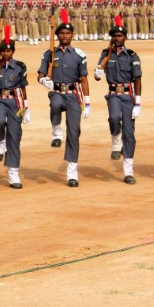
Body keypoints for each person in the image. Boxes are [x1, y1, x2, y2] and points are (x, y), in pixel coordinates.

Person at [37, 11, 90, 187]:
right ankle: (56, 129)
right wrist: (43, 80)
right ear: (57, 35)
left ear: (72, 35)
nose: (64, 36)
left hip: (74, 94)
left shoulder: (79, 55)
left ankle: (72, 172)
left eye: (67, 33)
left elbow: (83, 79)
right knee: (55, 104)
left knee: (74, 133)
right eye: (61, 33)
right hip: (57, 92)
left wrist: (87, 102)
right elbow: (40, 74)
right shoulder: (49, 54)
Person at [95, 16, 143, 183]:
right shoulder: (105, 54)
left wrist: (138, 102)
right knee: (114, 118)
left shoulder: (132, 56)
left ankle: (128, 171)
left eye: (120, 36)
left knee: (129, 133)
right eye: (114, 36)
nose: (117, 39)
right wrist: (98, 72)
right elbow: (98, 75)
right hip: (114, 94)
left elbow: (137, 79)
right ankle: (116, 139)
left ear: (125, 37)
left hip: (129, 95)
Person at [0, 37, 31, 188]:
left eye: (8, 50)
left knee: (14, 135)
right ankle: (0, 141)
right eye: (3, 51)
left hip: (15, 102)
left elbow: (23, 88)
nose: (6, 53)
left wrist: (26, 108)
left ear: (13, 51)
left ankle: (13, 173)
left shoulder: (20, 66)